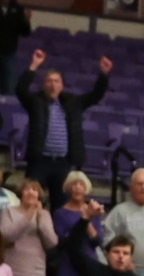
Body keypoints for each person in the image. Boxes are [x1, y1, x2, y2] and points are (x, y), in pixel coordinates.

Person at [16, 50, 110, 201]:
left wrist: (103, 75)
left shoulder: (73, 103)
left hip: (63, 163)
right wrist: (34, 65)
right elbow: (20, 90)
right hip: (40, 161)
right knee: (31, 201)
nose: (53, 85)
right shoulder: (35, 102)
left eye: (56, 81)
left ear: (62, 85)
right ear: (43, 85)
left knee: (61, 204)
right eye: (49, 81)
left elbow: (95, 95)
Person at [2, 180, 58, 276]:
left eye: (34, 189)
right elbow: (8, 234)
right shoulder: (9, 212)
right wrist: (29, 214)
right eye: (27, 189)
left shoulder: (43, 215)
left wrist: (39, 217)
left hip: (34, 275)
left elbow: (52, 242)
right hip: (10, 272)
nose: (30, 192)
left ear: (39, 195)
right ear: (21, 193)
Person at [0, 0, 30, 94]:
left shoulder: (18, 9)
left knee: (10, 92)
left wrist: (26, 21)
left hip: (9, 55)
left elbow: (25, 33)